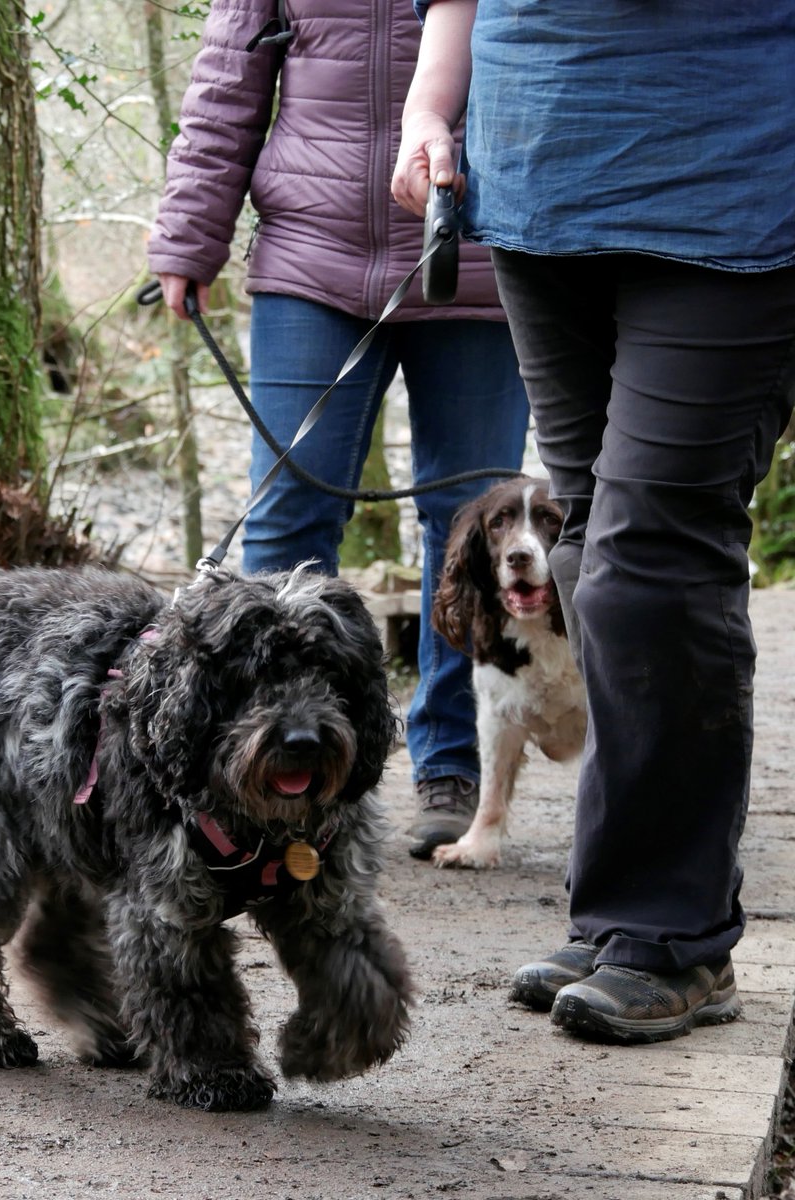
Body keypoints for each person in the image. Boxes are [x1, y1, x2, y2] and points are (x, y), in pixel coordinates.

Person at [392, 0, 795, 1043]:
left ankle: (675, 935)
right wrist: (432, 107)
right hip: (540, 177)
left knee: (648, 553)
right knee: (585, 554)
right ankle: (621, 915)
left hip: (737, 179)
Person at [146, 0, 530, 860]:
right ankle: (266, 765)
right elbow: (225, 84)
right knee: (286, 522)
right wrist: (189, 235)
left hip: (471, 260)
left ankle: (448, 762)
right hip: (309, 262)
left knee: (470, 529)